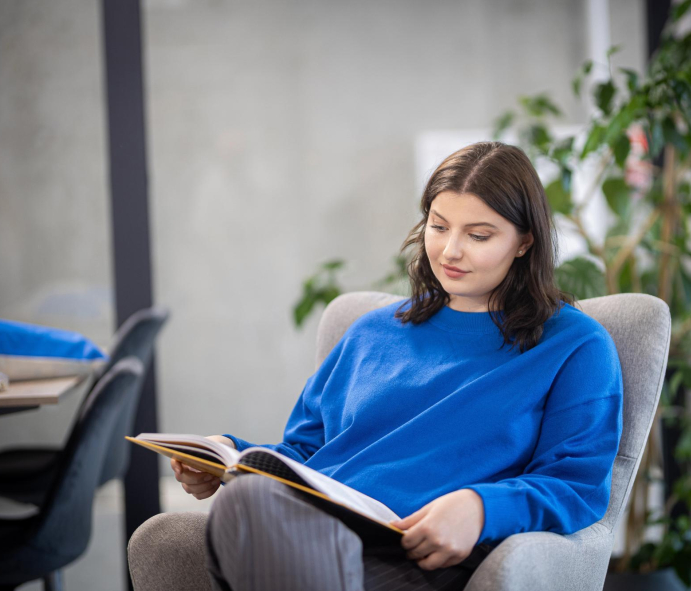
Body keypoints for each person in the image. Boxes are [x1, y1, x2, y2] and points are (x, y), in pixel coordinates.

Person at [127, 141, 623, 591]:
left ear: (525, 242)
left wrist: (479, 507)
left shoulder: (575, 346)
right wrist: (227, 457)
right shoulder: (372, 332)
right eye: (439, 227)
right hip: (321, 526)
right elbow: (305, 454)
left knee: (249, 516)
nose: (450, 251)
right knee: (221, 513)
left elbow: (575, 484)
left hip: (425, 554)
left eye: (478, 235)